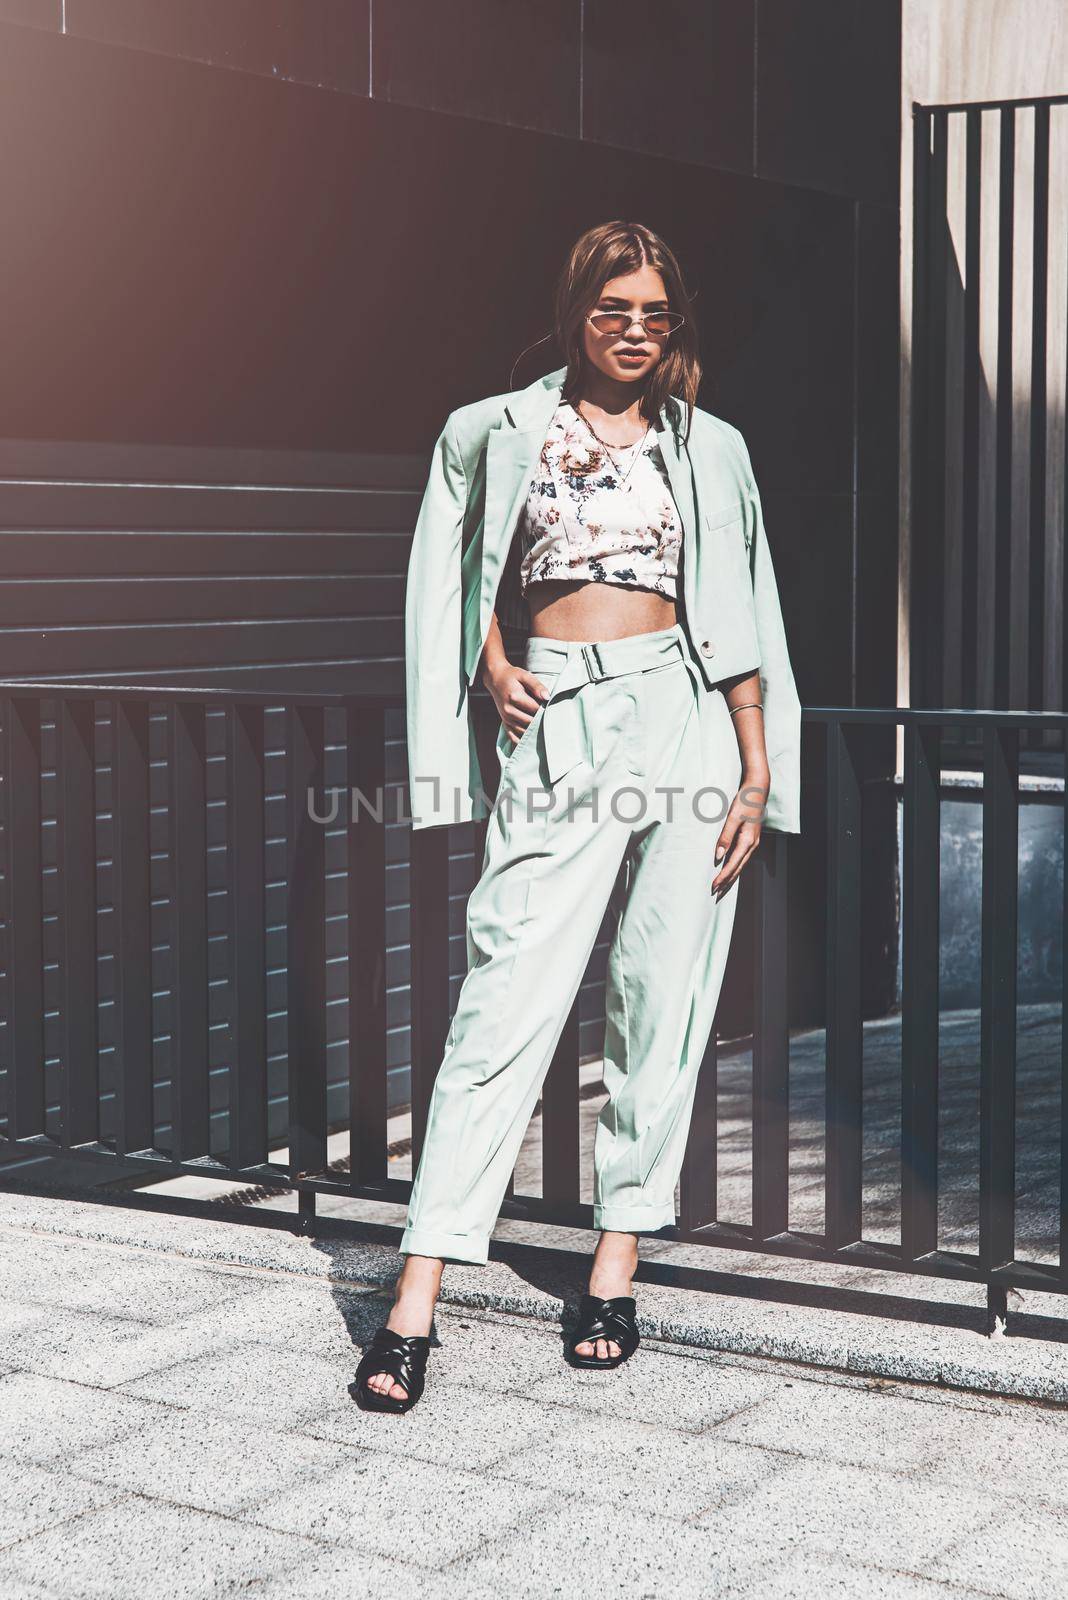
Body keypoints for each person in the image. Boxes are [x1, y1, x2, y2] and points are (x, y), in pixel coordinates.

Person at [355, 219, 802, 1413]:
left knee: (663, 996)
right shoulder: (496, 428)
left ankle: (617, 1259)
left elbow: (741, 607)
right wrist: (492, 662)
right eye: (617, 310)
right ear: (577, 312)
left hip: (690, 719)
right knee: (503, 999)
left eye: (658, 312)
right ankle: (417, 1292)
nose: (638, 330)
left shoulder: (711, 446)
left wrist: (757, 771)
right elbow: (452, 567)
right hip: (560, 722)